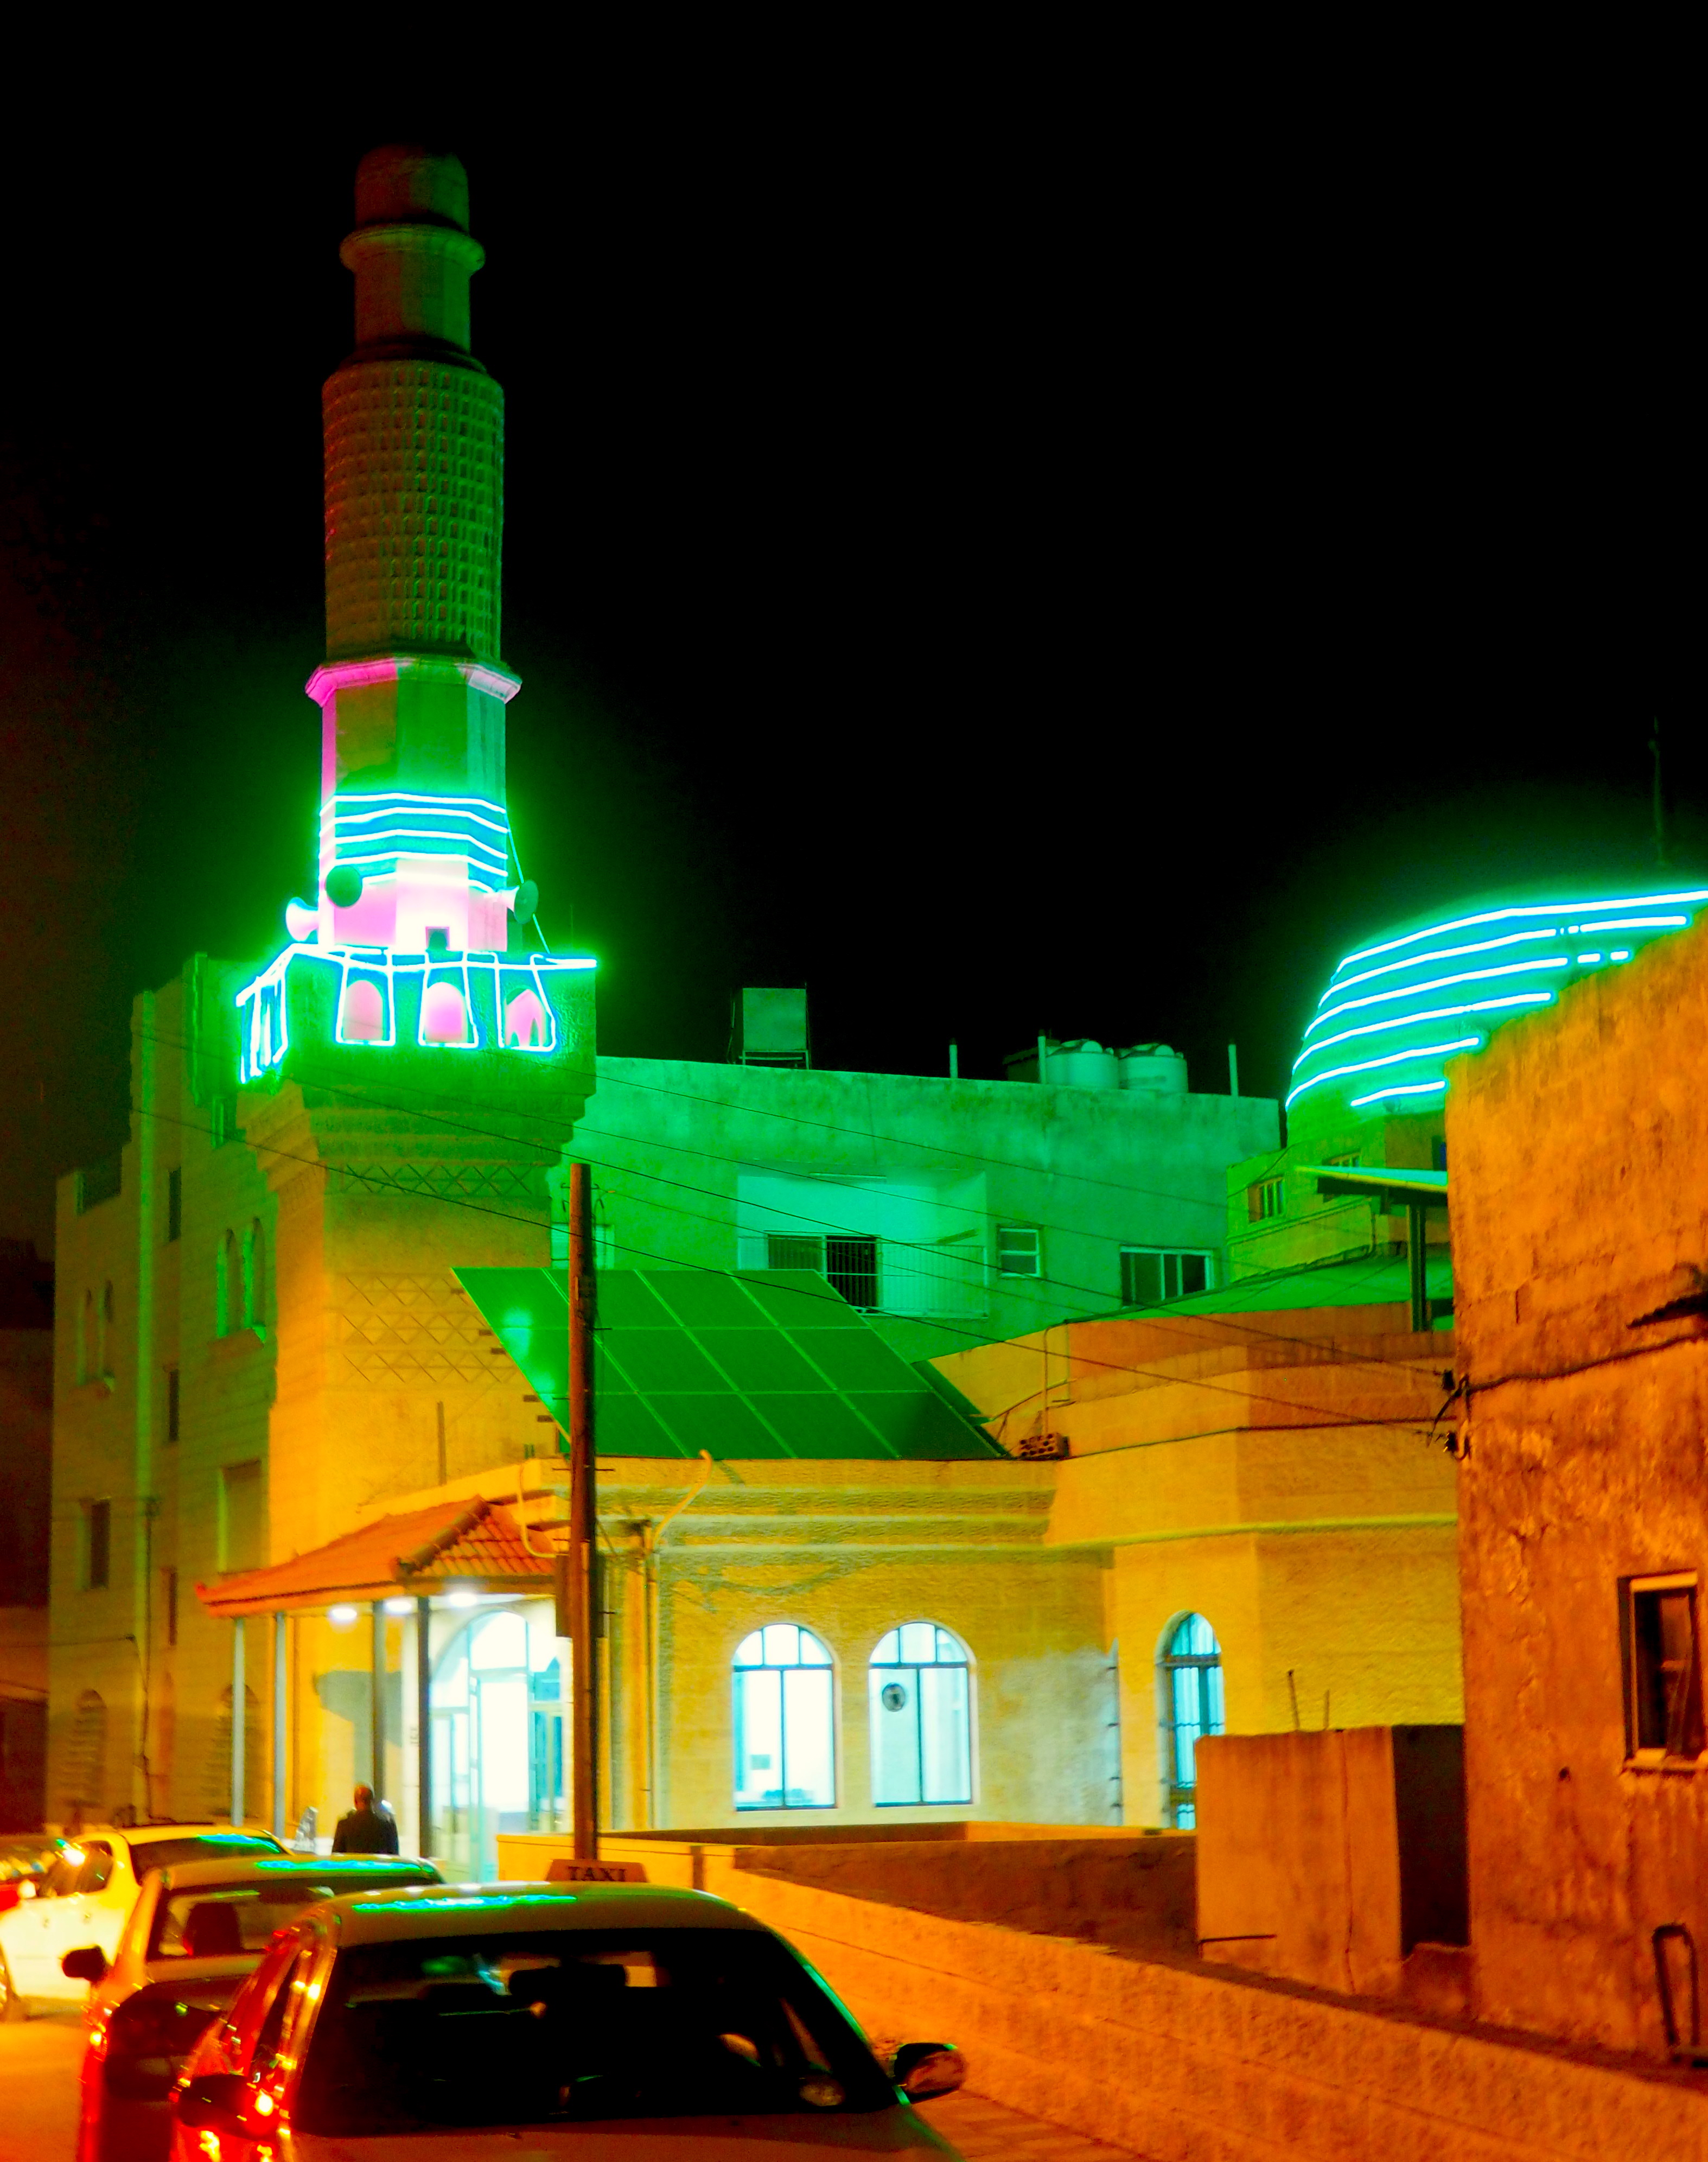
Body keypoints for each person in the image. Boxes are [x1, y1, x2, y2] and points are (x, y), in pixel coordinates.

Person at [330, 1784, 399, 1854]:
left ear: (355, 1802)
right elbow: (395, 1856)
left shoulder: (344, 1825)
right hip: (378, 1865)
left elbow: (337, 1856)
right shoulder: (387, 1825)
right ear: (372, 1801)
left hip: (353, 1865)